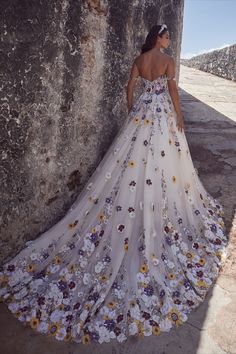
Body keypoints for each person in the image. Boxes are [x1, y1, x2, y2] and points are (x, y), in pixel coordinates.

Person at [0, 24, 228, 345]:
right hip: (160, 118)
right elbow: (174, 92)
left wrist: (132, 107)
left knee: (128, 163)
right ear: (160, 38)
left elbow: (129, 84)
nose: (169, 41)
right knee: (162, 165)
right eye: (167, 37)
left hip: (140, 118)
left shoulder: (140, 59)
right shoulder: (167, 61)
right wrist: (179, 117)